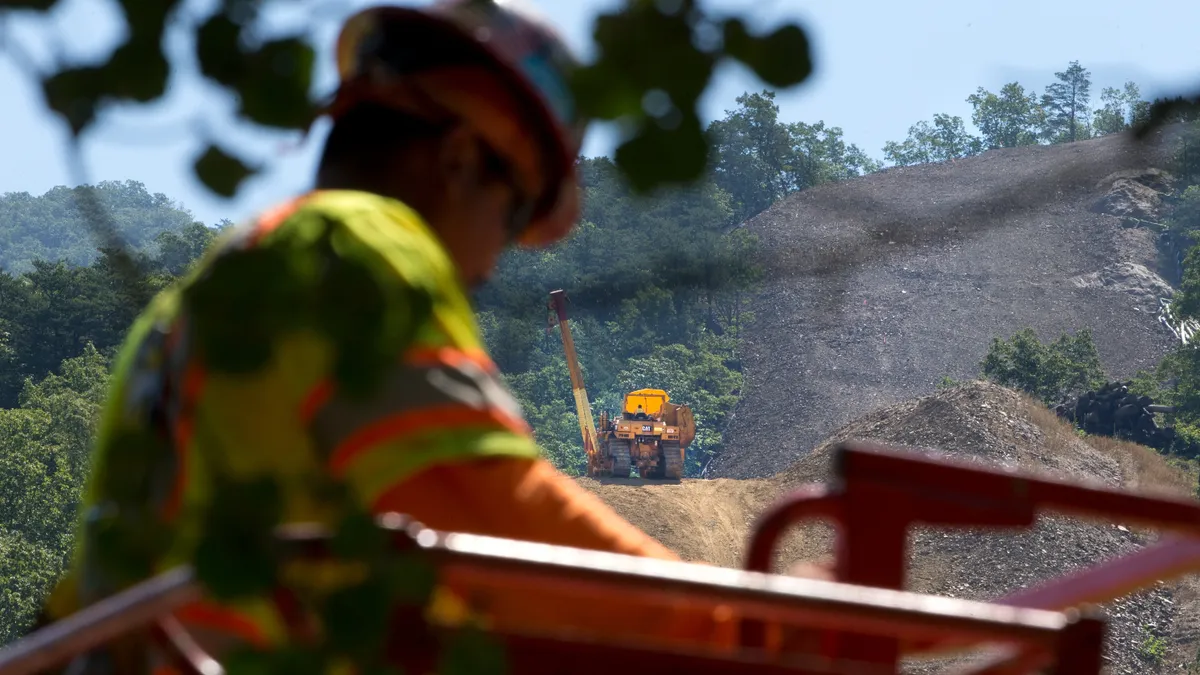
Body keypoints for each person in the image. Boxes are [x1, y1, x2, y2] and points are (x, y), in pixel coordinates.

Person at [37, 0, 751, 669]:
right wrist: (752, 626)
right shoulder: (359, 251)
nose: (491, 262)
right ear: (461, 160)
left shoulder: (188, 307)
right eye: (510, 216)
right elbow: (504, 534)